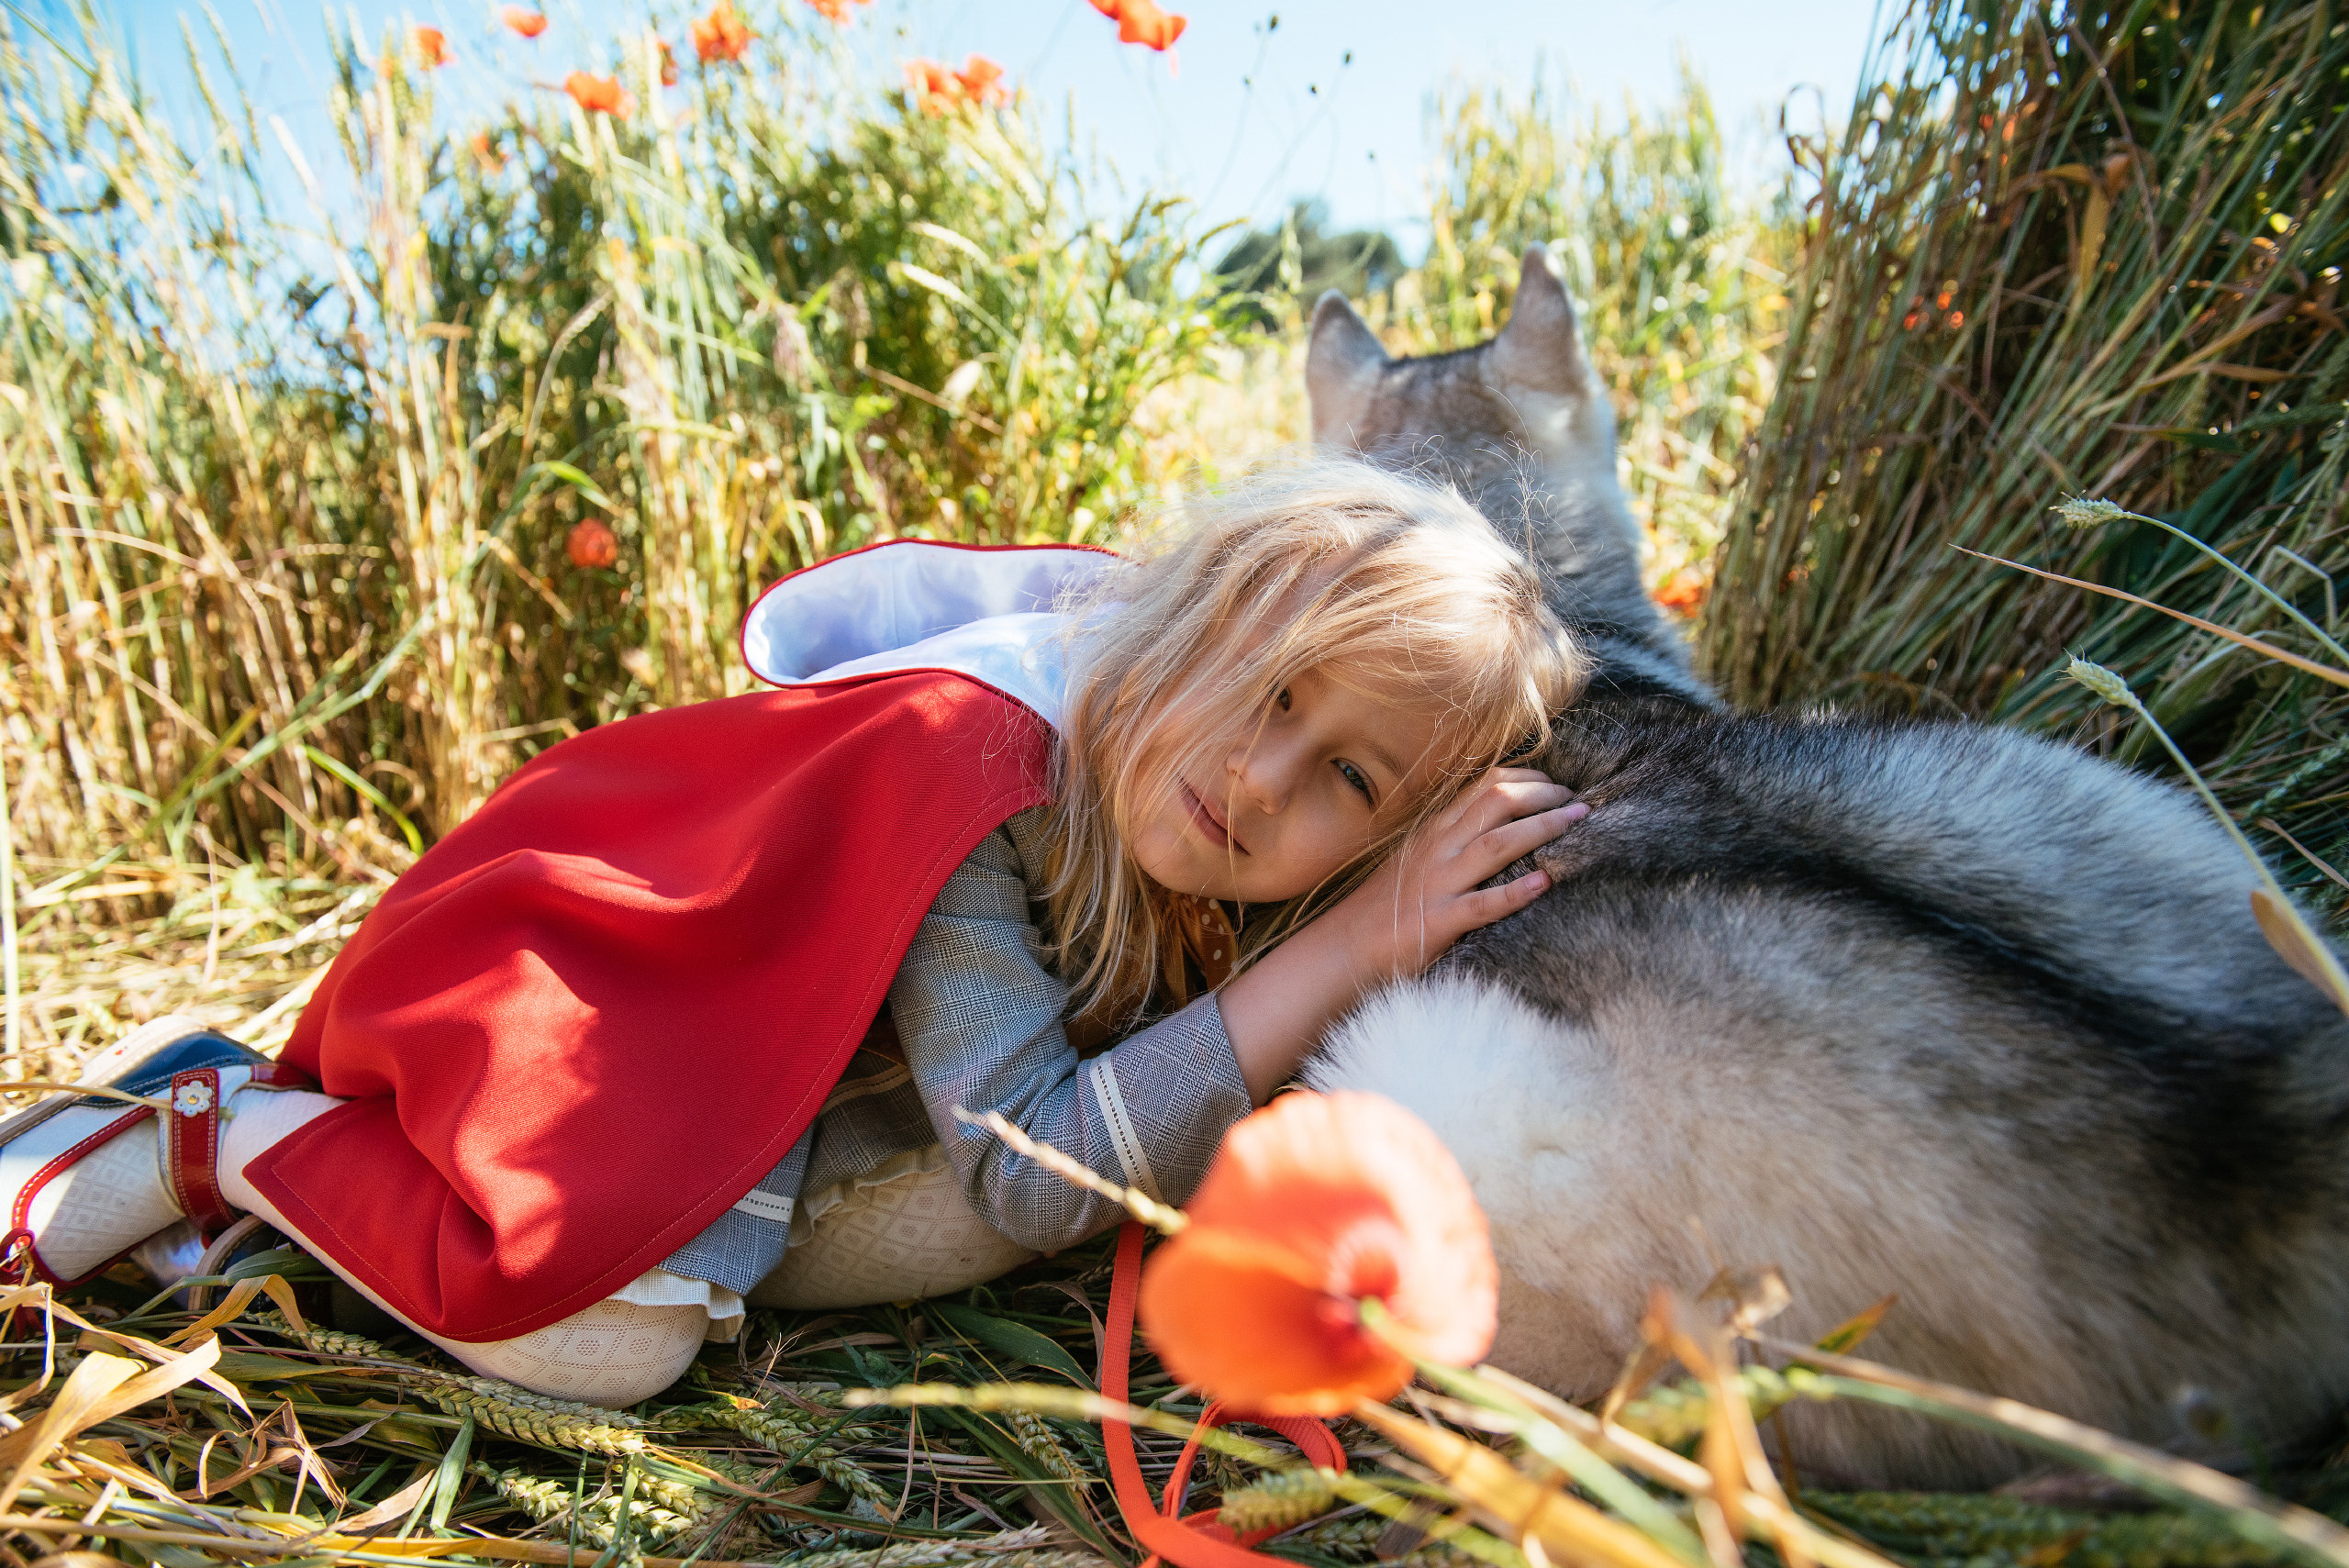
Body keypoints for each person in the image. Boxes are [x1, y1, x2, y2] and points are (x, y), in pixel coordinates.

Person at [0, 458, 1586, 1406]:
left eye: (1351, 779)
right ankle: (211, 1138)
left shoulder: (1182, 816)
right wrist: (1345, 950)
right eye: (1278, 685)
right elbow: (1030, 1172)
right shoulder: (981, 779)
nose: (1264, 775)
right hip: (579, 982)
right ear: (1204, 605)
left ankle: (290, 1148)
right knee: (608, 1340)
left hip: (798, 1104)